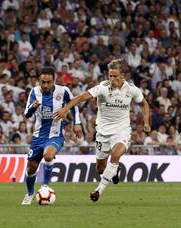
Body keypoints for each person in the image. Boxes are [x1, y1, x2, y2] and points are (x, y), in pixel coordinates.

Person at [54, 59, 151, 202]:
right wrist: (65, 109)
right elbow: (81, 97)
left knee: (116, 155)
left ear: (122, 75)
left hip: (122, 131)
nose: (112, 79)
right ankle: (115, 170)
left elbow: (144, 104)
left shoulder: (131, 89)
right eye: (110, 75)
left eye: (115, 76)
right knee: (100, 168)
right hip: (103, 133)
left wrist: (146, 122)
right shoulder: (102, 88)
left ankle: (98, 190)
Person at [21, 67, 82, 205]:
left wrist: (77, 123)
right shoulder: (34, 92)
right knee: (31, 168)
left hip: (55, 135)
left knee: (48, 155)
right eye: (43, 82)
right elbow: (26, 114)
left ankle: (45, 186)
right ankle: (30, 193)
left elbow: (74, 105)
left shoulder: (63, 91)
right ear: (39, 81)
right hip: (38, 136)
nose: (46, 85)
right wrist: (33, 107)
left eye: (48, 82)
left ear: (53, 80)